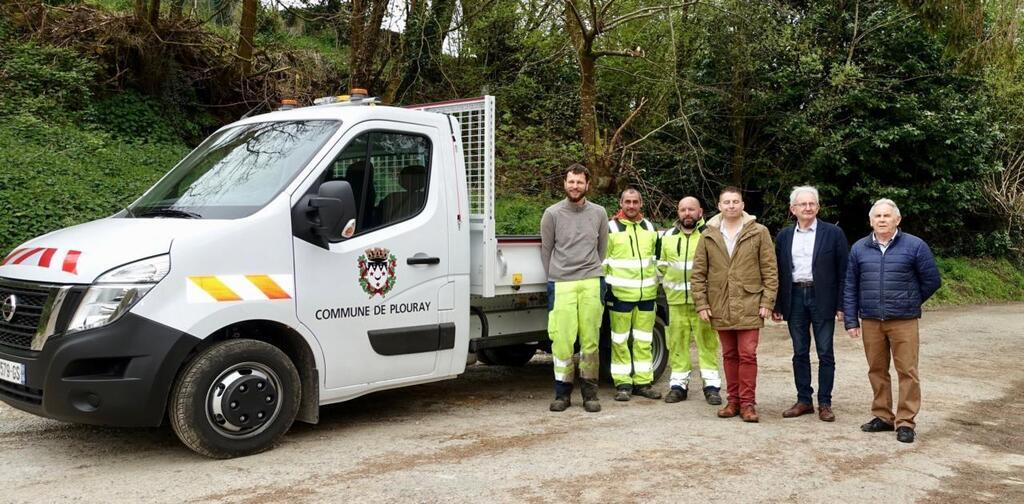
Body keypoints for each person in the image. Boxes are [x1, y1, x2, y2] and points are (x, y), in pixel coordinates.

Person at [844, 198, 941, 443]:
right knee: (876, 369)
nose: (882, 220)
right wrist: (851, 319)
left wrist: (910, 300)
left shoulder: (915, 245)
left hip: (904, 320)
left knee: (907, 370)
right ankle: (883, 416)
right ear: (870, 221)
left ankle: (906, 421)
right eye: (878, 216)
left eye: (887, 216)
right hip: (871, 320)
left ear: (897, 220)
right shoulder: (858, 248)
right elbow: (850, 285)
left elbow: (932, 280)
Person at [691, 186, 778, 423]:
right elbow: (698, 273)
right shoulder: (708, 234)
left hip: (750, 301)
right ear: (719, 206)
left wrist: (767, 301)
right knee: (729, 354)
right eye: (726, 202)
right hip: (720, 303)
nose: (731, 205)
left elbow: (770, 270)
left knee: (747, 354)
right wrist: (702, 304)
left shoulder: (759, 232)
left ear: (742, 205)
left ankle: (748, 404)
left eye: (735, 201)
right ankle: (733, 401)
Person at [773, 186, 849, 422]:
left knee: (825, 352)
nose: (808, 208)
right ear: (792, 209)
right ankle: (804, 399)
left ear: (818, 206)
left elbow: (843, 271)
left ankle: (824, 402)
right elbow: (777, 271)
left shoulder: (833, 234)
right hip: (794, 296)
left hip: (822, 296)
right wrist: (777, 304)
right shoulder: (784, 236)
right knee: (799, 351)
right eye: (802, 204)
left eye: (812, 203)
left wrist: (842, 304)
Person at [541, 163, 609, 413]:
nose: (575, 186)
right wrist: (557, 274)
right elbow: (546, 250)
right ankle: (562, 394)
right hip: (561, 283)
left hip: (591, 280)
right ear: (564, 184)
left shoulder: (600, 213)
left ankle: (590, 394)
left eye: (580, 182)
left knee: (590, 341)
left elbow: (602, 248)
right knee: (562, 341)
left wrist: (590, 269)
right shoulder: (552, 213)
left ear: (587, 185)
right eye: (571, 181)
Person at [658, 196, 722, 405]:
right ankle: (678, 386)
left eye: (691, 209)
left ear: (700, 212)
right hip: (676, 302)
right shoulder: (667, 236)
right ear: (678, 212)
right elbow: (661, 267)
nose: (687, 213)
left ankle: (711, 387)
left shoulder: (711, 235)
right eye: (683, 209)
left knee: (707, 344)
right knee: (677, 344)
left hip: (703, 303)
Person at [604, 188, 662, 401]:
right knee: (619, 341)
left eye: (635, 202)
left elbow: (657, 260)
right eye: (627, 201)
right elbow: (603, 261)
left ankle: (643, 382)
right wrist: (607, 290)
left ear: (641, 204)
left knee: (644, 340)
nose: (631, 206)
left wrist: (656, 283)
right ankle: (623, 384)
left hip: (647, 295)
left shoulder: (649, 227)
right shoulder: (610, 228)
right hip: (619, 296)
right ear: (620, 203)